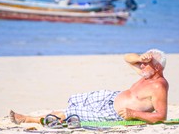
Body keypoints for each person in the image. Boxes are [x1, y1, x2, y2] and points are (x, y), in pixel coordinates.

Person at [10, 49, 169, 125]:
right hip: (110, 97)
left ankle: (28, 119)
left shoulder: (159, 86)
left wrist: (133, 113)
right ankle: (45, 117)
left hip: (112, 113)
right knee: (75, 99)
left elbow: (161, 116)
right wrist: (142, 57)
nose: (141, 65)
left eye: (146, 64)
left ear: (157, 68)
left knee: (70, 113)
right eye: (142, 63)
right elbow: (127, 58)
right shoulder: (146, 74)